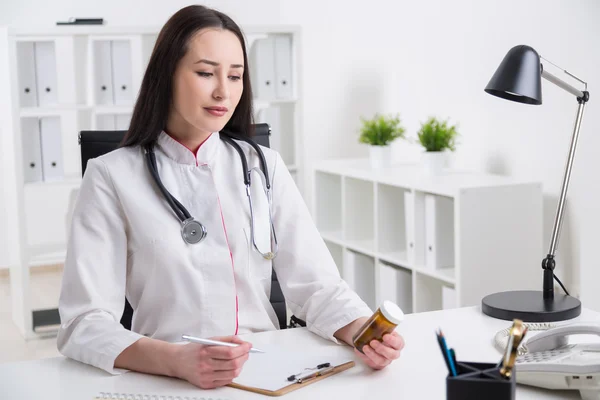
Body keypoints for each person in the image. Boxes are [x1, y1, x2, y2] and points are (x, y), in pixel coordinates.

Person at [57, 4, 404, 390]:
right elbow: (83, 323)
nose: (224, 91)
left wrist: (360, 331)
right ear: (166, 75)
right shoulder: (111, 175)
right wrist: (175, 362)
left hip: (271, 372)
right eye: (206, 73)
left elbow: (317, 286)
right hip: (166, 376)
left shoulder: (263, 166)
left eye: (235, 76)